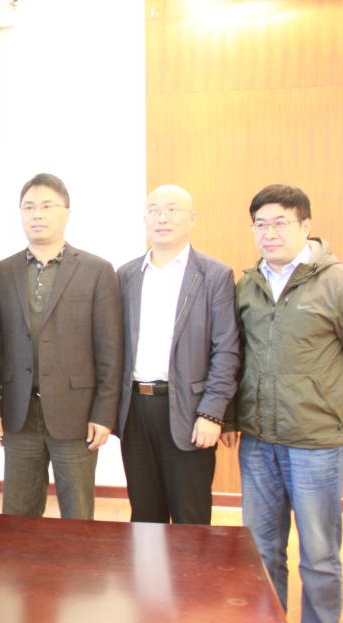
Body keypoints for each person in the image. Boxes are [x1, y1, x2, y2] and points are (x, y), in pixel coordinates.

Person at [221, 184, 343, 623]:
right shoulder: (248, 285)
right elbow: (235, 358)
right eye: (260, 224)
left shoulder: (341, 284)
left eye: (280, 222)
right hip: (258, 443)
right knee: (262, 552)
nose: (269, 233)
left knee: (319, 556)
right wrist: (232, 417)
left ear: (305, 225)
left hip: (316, 447)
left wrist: (335, 403)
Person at [0, 173, 123, 520]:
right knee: (18, 515)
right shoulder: (2, 272)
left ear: (66, 213)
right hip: (19, 413)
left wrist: (103, 414)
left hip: (76, 414)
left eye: (47, 206)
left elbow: (110, 351)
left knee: (77, 515)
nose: (37, 214)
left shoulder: (96, 270)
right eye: (29, 207)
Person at [116, 184, 241, 524]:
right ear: (144, 218)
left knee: (191, 520)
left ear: (192, 219)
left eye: (172, 210)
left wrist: (212, 413)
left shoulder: (214, 275)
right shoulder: (127, 275)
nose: (162, 218)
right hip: (136, 411)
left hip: (190, 411)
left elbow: (227, 350)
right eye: (154, 210)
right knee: (145, 517)